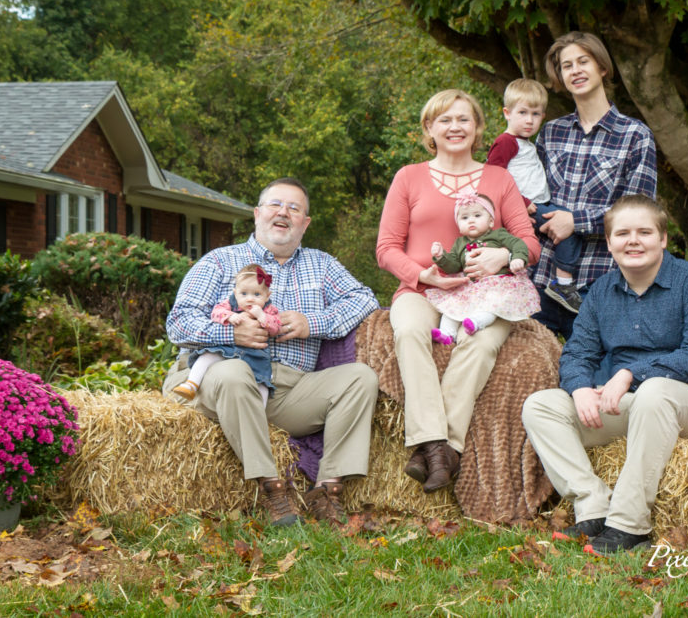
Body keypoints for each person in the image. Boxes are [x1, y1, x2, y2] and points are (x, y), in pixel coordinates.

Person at [521, 195, 688, 556]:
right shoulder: (601, 292)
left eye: (644, 232)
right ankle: (593, 507)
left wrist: (628, 373)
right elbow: (577, 353)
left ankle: (629, 523)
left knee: (655, 391)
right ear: (609, 243)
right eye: (622, 233)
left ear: (663, 239)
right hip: (636, 406)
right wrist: (579, 389)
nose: (633, 240)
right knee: (541, 405)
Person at [164, 178, 379, 527]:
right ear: (257, 214)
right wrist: (231, 332)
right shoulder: (220, 261)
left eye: (295, 208)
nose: (284, 212)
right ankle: (271, 489)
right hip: (216, 376)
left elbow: (364, 299)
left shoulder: (321, 265)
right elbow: (178, 323)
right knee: (235, 374)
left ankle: (327, 490)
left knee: (360, 379)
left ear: (305, 223)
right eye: (275, 204)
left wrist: (314, 323)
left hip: (286, 390)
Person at [377, 89, 541, 493]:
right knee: (410, 332)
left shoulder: (500, 179)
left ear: (479, 127)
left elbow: (529, 243)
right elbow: (386, 249)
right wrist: (425, 276)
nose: (455, 127)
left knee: (481, 346)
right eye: (444, 120)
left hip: (490, 293)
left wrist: (501, 258)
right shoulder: (408, 177)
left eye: (464, 119)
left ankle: (439, 452)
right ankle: (437, 445)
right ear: (429, 128)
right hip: (422, 289)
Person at [532, 31, 657, 331]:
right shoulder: (551, 133)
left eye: (583, 61)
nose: (575, 70)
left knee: (595, 376)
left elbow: (638, 214)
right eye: (567, 65)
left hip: (601, 283)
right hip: (542, 280)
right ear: (560, 77)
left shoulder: (634, 135)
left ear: (602, 67)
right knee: (528, 373)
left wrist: (576, 222)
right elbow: (527, 194)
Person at [485, 78, 583, 313]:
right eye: (522, 112)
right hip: (527, 205)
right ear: (507, 113)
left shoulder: (526, 143)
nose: (529, 120)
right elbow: (492, 177)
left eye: (536, 114)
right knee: (569, 224)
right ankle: (563, 283)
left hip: (537, 203)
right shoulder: (506, 142)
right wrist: (520, 203)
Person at [425, 191, 539, 344]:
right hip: (471, 287)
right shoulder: (459, 243)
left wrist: (517, 258)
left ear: (491, 221)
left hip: (497, 284)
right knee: (451, 308)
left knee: (492, 305)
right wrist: (441, 257)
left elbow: (518, 244)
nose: (471, 220)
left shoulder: (499, 235)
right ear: (458, 225)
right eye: (464, 218)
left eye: (477, 216)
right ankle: (447, 333)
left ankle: (476, 323)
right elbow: (453, 266)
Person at [171, 263, 281, 406]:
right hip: (228, 347)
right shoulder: (230, 303)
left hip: (255, 354)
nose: (250, 299)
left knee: (262, 382)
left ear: (267, 296)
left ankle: (260, 409)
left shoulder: (269, 310)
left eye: (257, 294)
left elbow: (276, 328)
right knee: (208, 355)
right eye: (244, 294)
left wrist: (262, 317)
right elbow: (215, 313)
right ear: (235, 293)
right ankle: (191, 384)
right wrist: (228, 316)